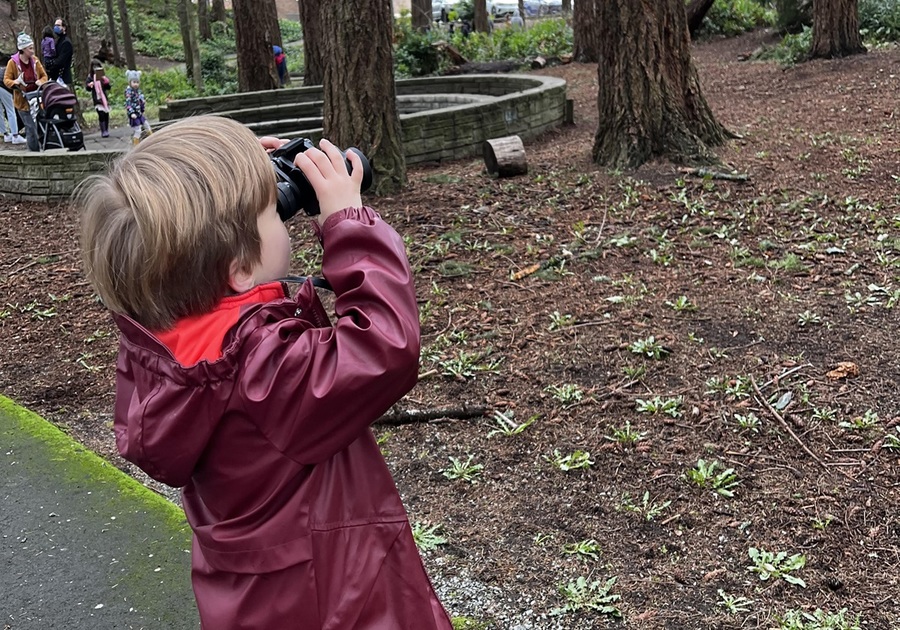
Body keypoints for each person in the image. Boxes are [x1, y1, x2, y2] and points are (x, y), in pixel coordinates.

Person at [77, 115, 453, 629]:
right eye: (272, 214)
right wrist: (349, 224)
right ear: (238, 267)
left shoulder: (162, 350)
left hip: (256, 604)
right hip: (335, 606)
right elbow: (384, 344)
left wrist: (225, 174)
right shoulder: (263, 370)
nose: (284, 218)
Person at [3, 33, 48, 152]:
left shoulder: (35, 61)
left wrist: (40, 81)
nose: (33, 51)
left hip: (37, 98)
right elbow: (6, 80)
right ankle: (33, 153)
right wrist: (16, 82)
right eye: (30, 48)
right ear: (22, 49)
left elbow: (44, 76)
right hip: (22, 101)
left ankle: (44, 148)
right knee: (30, 128)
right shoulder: (12, 63)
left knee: (42, 125)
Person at [0, 50, 26, 144]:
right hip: (3, 86)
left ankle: (6, 134)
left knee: (0, 111)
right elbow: (15, 84)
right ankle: (15, 136)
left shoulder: (6, 66)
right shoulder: (14, 66)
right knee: (10, 109)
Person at [124, 69, 151, 145]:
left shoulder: (138, 91)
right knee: (138, 130)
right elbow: (128, 103)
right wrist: (131, 113)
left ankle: (152, 137)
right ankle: (136, 143)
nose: (136, 84)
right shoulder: (129, 92)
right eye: (134, 82)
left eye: (137, 82)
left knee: (147, 125)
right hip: (134, 115)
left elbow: (140, 98)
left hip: (139, 113)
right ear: (130, 82)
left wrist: (143, 102)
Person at [86, 59, 111, 138]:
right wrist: (90, 85)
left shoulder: (102, 77)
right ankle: (103, 130)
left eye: (97, 66)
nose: (96, 68)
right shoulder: (90, 77)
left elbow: (108, 87)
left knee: (106, 114)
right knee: (101, 114)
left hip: (104, 99)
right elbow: (88, 88)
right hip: (97, 98)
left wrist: (105, 81)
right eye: (94, 67)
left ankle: (106, 129)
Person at [44, 17, 72, 87]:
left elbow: (61, 61)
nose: (56, 27)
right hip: (56, 78)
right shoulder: (58, 41)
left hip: (63, 79)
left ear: (64, 28)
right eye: (55, 25)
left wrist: (51, 63)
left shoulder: (66, 43)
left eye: (58, 25)